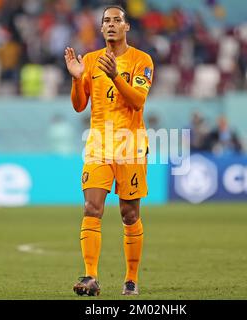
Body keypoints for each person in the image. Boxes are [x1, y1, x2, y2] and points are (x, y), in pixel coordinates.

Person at [64, 5, 154, 296]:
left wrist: (116, 76)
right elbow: (79, 105)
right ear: (101, 29)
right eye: (106, 21)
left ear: (127, 27)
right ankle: (90, 276)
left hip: (130, 146)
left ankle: (131, 279)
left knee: (129, 214)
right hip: (99, 145)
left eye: (117, 20)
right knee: (92, 208)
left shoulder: (142, 60)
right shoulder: (90, 60)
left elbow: (138, 101)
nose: (112, 24)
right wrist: (77, 78)